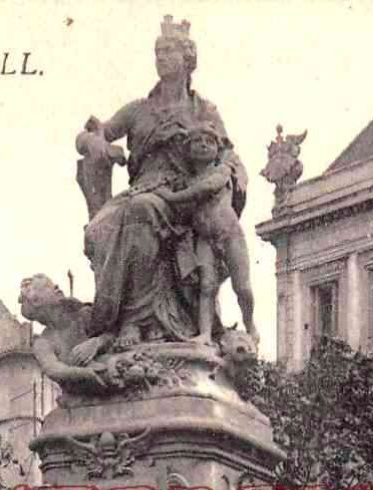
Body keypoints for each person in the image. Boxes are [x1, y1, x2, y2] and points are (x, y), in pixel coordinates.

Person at [76, 16, 249, 352]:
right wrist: (94, 144)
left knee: (142, 211)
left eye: (170, 50)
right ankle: (109, 317)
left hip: (183, 194)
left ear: (188, 59)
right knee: (101, 226)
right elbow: (90, 135)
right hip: (142, 187)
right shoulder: (139, 109)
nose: (162, 57)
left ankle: (136, 321)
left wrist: (230, 172)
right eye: (158, 51)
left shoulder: (203, 109)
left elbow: (228, 154)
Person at [153, 123, 257, 346]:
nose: (203, 145)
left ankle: (250, 325)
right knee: (206, 286)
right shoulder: (185, 182)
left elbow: (207, 188)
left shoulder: (222, 171)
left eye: (209, 142)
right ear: (188, 149)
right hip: (204, 239)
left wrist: (171, 197)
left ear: (217, 150)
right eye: (198, 141)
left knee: (243, 287)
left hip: (229, 234)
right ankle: (205, 334)